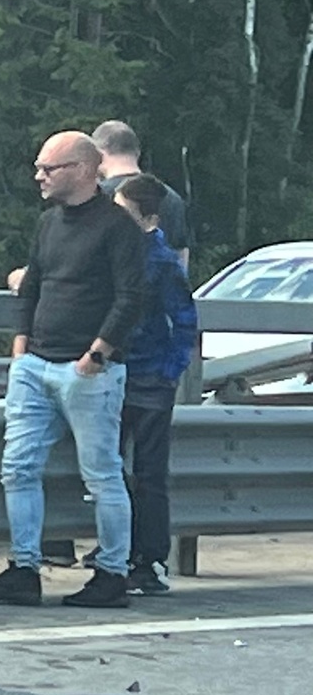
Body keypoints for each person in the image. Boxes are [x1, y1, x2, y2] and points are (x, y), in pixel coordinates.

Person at [0, 131, 150, 610]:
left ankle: (112, 573)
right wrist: (21, 350)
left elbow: (132, 297)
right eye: (39, 167)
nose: (39, 176)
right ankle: (24, 568)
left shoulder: (118, 227)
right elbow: (32, 286)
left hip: (87, 370)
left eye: (50, 168)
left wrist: (96, 356)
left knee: (102, 474)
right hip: (36, 366)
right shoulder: (49, 223)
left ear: (84, 170)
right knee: (18, 467)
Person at [114, 172, 197, 596]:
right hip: (118, 373)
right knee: (113, 471)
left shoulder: (161, 261)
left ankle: (149, 559)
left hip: (148, 377)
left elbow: (185, 321)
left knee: (147, 473)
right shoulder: (124, 252)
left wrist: (170, 372)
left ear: (143, 214)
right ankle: (120, 551)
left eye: (122, 208)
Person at [93, 120, 189, 270]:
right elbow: (180, 255)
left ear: (99, 154)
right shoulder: (171, 197)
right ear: (137, 153)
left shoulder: (94, 197)